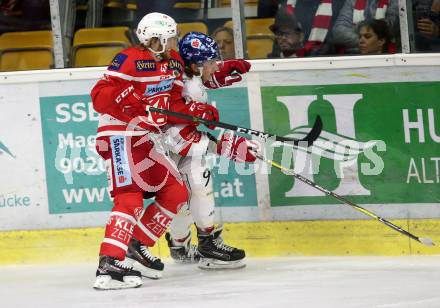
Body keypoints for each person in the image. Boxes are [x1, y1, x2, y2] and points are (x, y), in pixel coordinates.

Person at [90, 12, 215, 290]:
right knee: (129, 198)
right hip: (120, 135)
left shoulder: (171, 63)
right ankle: (109, 262)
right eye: (168, 38)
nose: (172, 43)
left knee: (176, 191)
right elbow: (99, 96)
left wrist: (196, 111)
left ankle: (137, 244)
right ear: (153, 39)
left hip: (146, 137)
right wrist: (123, 98)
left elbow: (173, 101)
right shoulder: (128, 59)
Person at [160, 32, 256, 269]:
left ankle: (179, 246)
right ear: (193, 65)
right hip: (167, 149)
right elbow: (177, 138)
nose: (216, 66)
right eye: (212, 62)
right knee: (198, 188)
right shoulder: (179, 84)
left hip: (171, 148)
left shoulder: (185, 72)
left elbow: (200, 79)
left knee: (185, 199)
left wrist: (221, 71)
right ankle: (208, 245)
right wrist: (224, 146)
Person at [332, 0, 399, 53]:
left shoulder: (394, 1)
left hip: (385, 56)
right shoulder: (352, 1)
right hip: (351, 56)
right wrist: (367, 40)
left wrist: (366, 39)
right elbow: (338, 32)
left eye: (367, 36)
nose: (362, 40)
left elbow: (390, 29)